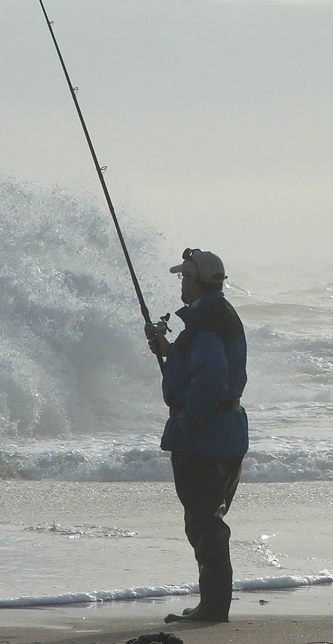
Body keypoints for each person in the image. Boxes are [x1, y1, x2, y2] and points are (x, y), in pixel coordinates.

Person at [145, 248, 248, 624]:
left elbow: (209, 378)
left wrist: (188, 421)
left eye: (183, 278)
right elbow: (205, 368)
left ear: (195, 280)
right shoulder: (219, 314)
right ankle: (213, 603)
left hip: (206, 438)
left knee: (204, 522)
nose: (180, 284)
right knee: (211, 519)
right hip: (228, 432)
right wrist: (168, 350)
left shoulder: (205, 321)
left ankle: (213, 607)